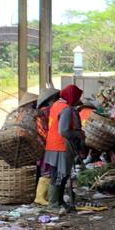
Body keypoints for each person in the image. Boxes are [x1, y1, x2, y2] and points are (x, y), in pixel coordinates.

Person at [43, 85, 84, 213]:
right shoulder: (66, 109)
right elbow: (64, 130)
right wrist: (78, 134)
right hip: (61, 146)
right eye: (77, 97)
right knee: (59, 175)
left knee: (60, 174)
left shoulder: (57, 105)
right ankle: (53, 204)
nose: (78, 100)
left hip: (52, 144)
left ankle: (59, 201)